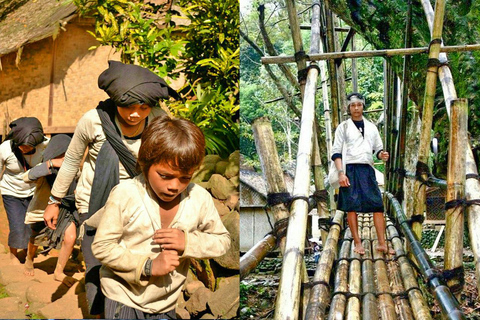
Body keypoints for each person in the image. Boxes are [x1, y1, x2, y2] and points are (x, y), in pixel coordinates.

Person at [43, 60, 179, 315]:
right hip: (94, 207)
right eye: (128, 106)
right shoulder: (92, 121)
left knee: (131, 265)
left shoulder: (158, 120)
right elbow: (72, 160)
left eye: (143, 107)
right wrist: (54, 200)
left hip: (138, 206)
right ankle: (99, 312)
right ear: (116, 100)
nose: (136, 114)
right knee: (96, 264)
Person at [92, 115, 230, 319]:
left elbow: (223, 241)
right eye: (165, 176)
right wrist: (148, 266)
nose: (174, 186)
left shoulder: (198, 198)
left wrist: (188, 241)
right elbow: (102, 247)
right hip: (123, 297)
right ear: (144, 163)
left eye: (185, 178)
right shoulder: (126, 194)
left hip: (165, 303)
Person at [331, 93, 393, 255]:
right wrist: (341, 173)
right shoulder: (343, 128)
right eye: (353, 105)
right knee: (351, 207)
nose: (356, 108)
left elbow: (377, 149)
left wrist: (382, 155)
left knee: (377, 205)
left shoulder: (371, 127)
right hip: (349, 168)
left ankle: (382, 243)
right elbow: (336, 152)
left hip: (367, 169)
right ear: (349, 108)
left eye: (359, 104)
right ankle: (357, 243)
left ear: (363, 106)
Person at [23, 134, 78, 286]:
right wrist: (52, 163)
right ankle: (29, 259)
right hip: (42, 210)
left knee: (71, 237)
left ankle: (59, 271)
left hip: (65, 211)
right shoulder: (46, 167)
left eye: (67, 153)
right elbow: (27, 177)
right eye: (60, 153)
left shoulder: (73, 168)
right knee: (36, 239)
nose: (64, 157)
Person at [0, 117, 48, 263]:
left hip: (34, 192)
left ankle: (28, 255)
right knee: (17, 225)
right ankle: (13, 253)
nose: (25, 149)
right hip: (11, 191)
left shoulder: (46, 145)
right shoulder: (5, 148)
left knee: (31, 225)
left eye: (29, 147)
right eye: (22, 146)